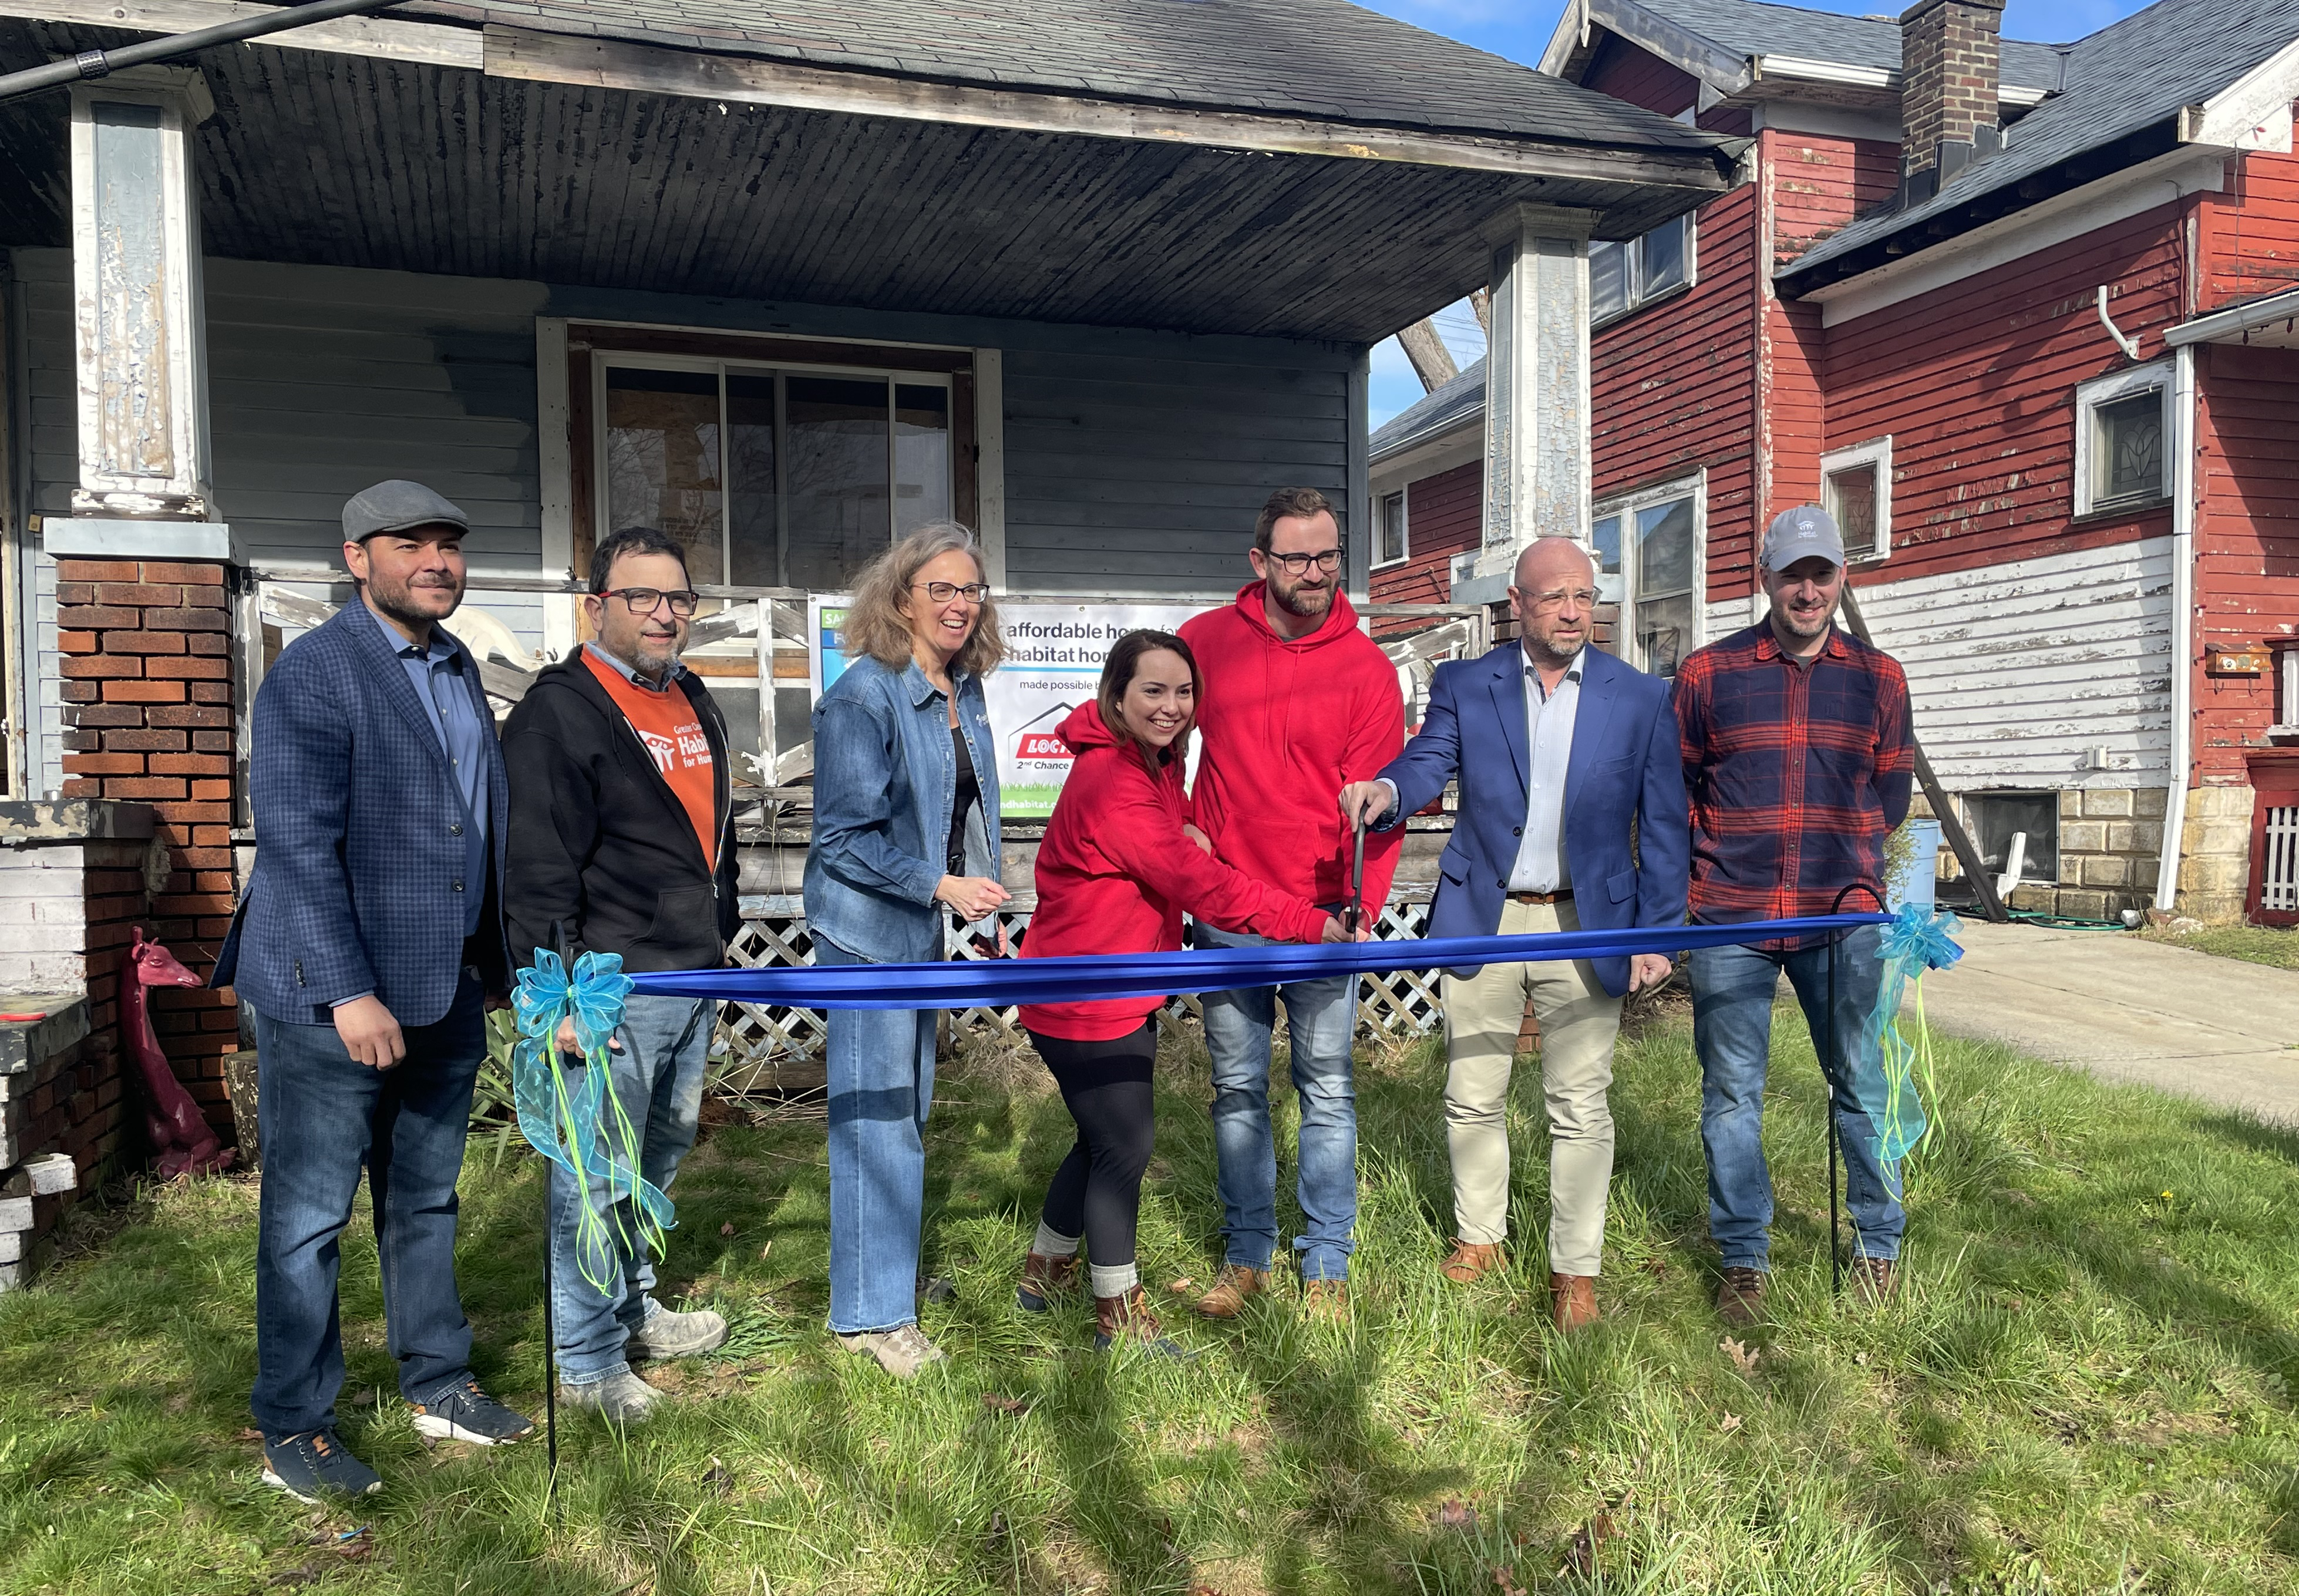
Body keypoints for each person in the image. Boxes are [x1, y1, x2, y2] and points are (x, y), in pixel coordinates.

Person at [214, 480, 533, 1502]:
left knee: (425, 1196)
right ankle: (293, 1420)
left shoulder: (458, 666)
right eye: (410, 544)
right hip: (332, 995)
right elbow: (296, 847)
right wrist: (350, 991)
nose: (437, 561)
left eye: (449, 544)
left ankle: (437, 1379)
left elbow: (471, 823)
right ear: (357, 558)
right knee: (309, 1217)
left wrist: (492, 966)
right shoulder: (316, 672)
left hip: (445, 985)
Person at [1342, 537, 1688, 1329]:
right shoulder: (1467, 684)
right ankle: (1479, 1239)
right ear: (1517, 604)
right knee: (1471, 1092)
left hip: (1587, 922)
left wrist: (1657, 934)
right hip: (1484, 916)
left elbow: (1666, 824)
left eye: (1583, 596)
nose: (1572, 612)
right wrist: (1388, 790)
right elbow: (1428, 761)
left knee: (1580, 1104)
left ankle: (1575, 1270)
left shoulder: (1639, 697)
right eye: (1554, 596)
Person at [1013, 632, 1352, 1352]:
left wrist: (1188, 827)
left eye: (1184, 692)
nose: (1171, 707)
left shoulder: (1155, 759)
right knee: (1125, 1149)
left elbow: (1175, 844)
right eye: (1153, 691)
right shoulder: (1113, 779)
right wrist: (1305, 922)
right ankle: (1120, 1319)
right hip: (1084, 993)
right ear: (1116, 696)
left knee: (1099, 1138)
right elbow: (1200, 884)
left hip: (1115, 983)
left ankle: (1045, 1270)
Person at [501, 525, 742, 1422]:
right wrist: (557, 994)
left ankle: (632, 1307)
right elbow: (535, 865)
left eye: (677, 597)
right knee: (595, 1172)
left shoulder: (690, 695)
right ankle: (587, 1359)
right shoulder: (558, 714)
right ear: (595, 605)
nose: (662, 614)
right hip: (606, 986)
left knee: (656, 1157)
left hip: (690, 975)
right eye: (640, 596)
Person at [1673, 506, 1915, 1326]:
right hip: (1731, 917)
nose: (1806, 592)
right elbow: (1677, 788)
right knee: (1730, 1093)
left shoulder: (1880, 679)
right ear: (1765, 580)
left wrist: (1847, 864)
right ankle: (1743, 1257)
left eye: (1820, 574)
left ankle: (1876, 1246)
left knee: (1861, 1084)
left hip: (1840, 919)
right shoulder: (1708, 675)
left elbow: (1889, 794)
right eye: (1791, 576)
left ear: (1841, 577)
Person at [1177, 487, 1405, 1321]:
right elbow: (1152, 742)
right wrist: (1181, 827)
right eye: (1298, 557)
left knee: (1327, 1090)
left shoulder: (1367, 669)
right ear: (1259, 561)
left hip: (1322, 918)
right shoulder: (1205, 643)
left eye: (1328, 555)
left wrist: (1361, 906)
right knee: (1238, 1088)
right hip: (1228, 910)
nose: (1316, 572)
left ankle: (1326, 1262)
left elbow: (1378, 809)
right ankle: (1247, 1255)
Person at [803, 523, 1008, 1377]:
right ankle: (871, 1316)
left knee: (908, 1112)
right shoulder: (863, 697)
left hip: (919, 930)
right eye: (941, 589)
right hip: (865, 935)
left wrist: (982, 897)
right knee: (877, 1121)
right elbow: (842, 840)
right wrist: (940, 886)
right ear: (900, 600)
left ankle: (884, 1276)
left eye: (971, 590)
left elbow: (965, 807)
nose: (959, 604)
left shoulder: (962, 687)